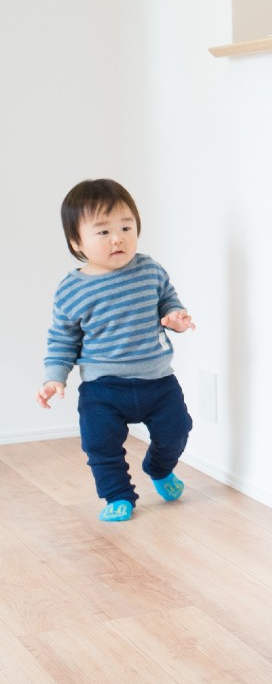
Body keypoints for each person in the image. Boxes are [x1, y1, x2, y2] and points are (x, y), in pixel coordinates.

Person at [37, 178, 195, 523]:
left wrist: (175, 318)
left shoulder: (149, 269)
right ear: (77, 241)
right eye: (103, 231)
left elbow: (168, 301)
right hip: (103, 388)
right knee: (100, 446)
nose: (119, 238)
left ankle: (159, 468)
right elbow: (62, 340)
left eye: (126, 226)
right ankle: (118, 495)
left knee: (177, 429)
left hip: (158, 381)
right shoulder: (71, 290)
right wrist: (55, 378)